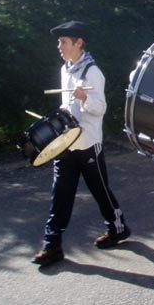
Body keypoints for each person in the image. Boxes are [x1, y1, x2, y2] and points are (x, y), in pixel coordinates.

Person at [31, 21, 130, 267]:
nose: (59, 46)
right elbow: (67, 106)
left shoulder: (92, 73)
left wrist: (85, 97)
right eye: (59, 42)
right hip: (65, 144)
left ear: (79, 43)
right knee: (60, 195)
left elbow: (101, 109)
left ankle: (118, 228)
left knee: (100, 191)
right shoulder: (66, 69)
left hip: (87, 143)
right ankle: (52, 245)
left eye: (64, 42)